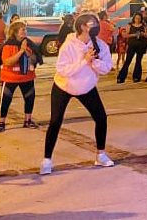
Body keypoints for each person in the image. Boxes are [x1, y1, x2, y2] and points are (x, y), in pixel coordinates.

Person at [41, 13, 114, 175]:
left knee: (101, 117)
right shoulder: (69, 45)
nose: (95, 26)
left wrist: (94, 61)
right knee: (55, 121)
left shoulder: (100, 45)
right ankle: (47, 160)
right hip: (64, 86)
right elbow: (63, 70)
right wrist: (83, 61)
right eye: (91, 23)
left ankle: (100, 154)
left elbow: (107, 67)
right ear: (82, 27)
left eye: (96, 23)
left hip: (86, 87)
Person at [0, 21, 42, 133]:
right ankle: (1, 122)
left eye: (25, 29)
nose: (25, 32)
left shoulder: (29, 43)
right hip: (10, 77)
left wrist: (29, 53)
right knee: (6, 100)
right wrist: (21, 51)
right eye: (22, 30)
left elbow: (35, 58)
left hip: (27, 77)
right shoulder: (8, 45)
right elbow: (7, 62)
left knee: (29, 98)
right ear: (15, 32)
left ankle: (28, 120)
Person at [116, 13, 147, 83]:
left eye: (139, 18)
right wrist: (134, 35)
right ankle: (121, 77)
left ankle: (136, 77)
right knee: (128, 61)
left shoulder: (144, 26)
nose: (138, 20)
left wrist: (143, 34)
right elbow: (125, 35)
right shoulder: (129, 25)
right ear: (134, 18)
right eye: (136, 18)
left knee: (138, 61)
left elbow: (146, 35)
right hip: (132, 45)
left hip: (141, 45)